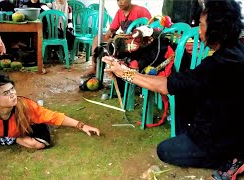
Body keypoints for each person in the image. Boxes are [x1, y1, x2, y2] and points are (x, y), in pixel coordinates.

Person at [102, 0, 244, 179]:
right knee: (185, 96)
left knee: (165, 150)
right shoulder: (237, 50)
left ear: (215, 29)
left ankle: (229, 158)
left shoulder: (215, 66)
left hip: (219, 138)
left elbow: (165, 85)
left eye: (201, 26)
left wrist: (124, 73)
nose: (198, 30)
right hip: (233, 124)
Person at [0, 73, 100, 163]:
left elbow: (53, 116)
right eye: (6, 93)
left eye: (12, 89)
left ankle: (6, 138)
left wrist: (81, 125)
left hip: (16, 130)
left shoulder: (25, 106)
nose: (13, 94)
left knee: (40, 144)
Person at [81, 0, 151, 78]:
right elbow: (112, 29)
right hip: (123, 40)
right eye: (118, 0)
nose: (120, 2)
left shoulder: (141, 11)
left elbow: (151, 29)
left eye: (122, 0)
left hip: (137, 43)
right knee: (97, 38)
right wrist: (108, 35)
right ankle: (94, 68)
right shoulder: (119, 12)